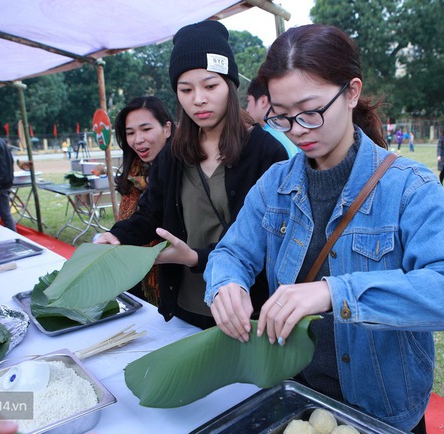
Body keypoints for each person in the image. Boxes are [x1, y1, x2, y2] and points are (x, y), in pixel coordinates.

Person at [204, 24, 444, 433]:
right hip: (294, 394)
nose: (297, 129)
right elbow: (232, 252)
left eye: (310, 111)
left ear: (352, 92)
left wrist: (336, 292)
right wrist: (226, 282)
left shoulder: (409, 187)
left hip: (382, 409)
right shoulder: (275, 184)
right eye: (281, 117)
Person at [94, 20, 288, 329]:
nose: (198, 99)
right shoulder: (173, 153)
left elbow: (267, 241)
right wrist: (116, 236)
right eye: (186, 89)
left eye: (210, 86)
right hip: (184, 304)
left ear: (230, 85)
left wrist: (195, 257)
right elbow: (149, 216)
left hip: (244, 310)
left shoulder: (267, 153)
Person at [114, 96, 174, 305]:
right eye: (130, 133)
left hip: (171, 276)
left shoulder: (182, 172)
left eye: (146, 129)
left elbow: (151, 218)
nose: (137, 139)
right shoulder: (133, 173)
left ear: (167, 129)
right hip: (131, 272)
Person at [246, 78, 299, 158]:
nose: (247, 110)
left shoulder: (266, 138)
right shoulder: (291, 131)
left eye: (248, 101)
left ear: (263, 101)